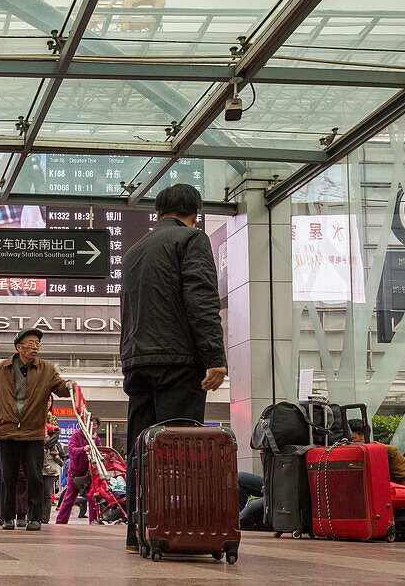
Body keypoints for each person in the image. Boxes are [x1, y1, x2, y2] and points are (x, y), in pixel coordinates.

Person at [119, 183, 228, 554]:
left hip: (137, 364)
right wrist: (214, 356)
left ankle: (138, 532)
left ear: (158, 210)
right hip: (178, 363)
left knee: (142, 451)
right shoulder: (191, 240)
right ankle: (175, 531)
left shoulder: (135, 250)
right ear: (194, 211)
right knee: (179, 453)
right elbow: (201, 298)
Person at [0, 328, 72, 532]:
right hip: (7, 431)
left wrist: (70, 387)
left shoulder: (47, 370)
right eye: (30, 343)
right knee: (8, 476)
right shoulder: (3, 369)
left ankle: (34, 517)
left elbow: (60, 387)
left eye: (37, 343)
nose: (35, 347)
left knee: (34, 475)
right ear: (19, 347)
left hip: (33, 431)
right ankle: (7, 517)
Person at [56, 417, 101, 525]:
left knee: (93, 499)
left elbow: (100, 452)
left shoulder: (96, 439)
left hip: (91, 473)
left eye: (95, 424)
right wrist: (83, 449)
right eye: (90, 424)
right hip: (75, 473)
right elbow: (71, 450)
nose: (92, 426)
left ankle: (93, 522)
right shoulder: (77, 435)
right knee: (68, 499)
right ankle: (60, 522)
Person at [349, 419, 405, 487]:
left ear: (365, 435)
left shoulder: (389, 452)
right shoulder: (346, 454)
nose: (349, 444)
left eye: (352, 439)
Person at [42, 411, 66, 523]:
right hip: (39, 464)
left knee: (47, 494)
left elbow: (53, 429)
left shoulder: (54, 438)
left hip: (50, 469)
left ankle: (44, 519)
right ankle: (35, 517)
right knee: (37, 493)